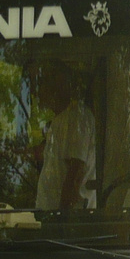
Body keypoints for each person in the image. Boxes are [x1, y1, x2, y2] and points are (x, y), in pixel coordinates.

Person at [32, 63, 97, 212]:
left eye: (42, 82)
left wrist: (62, 217)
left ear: (58, 86)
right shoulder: (60, 120)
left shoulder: (76, 116)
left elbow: (76, 171)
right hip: (53, 217)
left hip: (71, 221)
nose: (36, 91)